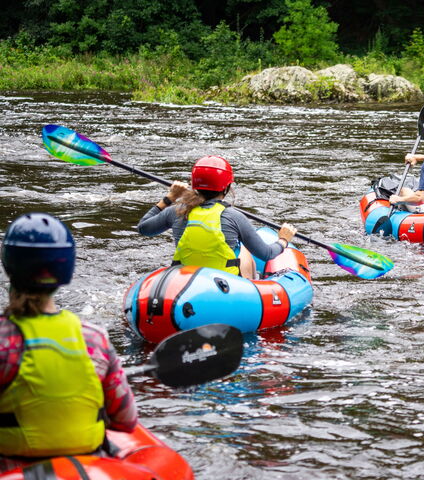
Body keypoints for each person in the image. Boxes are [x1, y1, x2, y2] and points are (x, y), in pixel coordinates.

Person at [0, 213, 138, 472]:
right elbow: (127, 422)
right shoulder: (94, 338)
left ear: (9, 266)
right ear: (66, 268)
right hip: (87, 467)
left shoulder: (4, 341)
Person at [137, 155, 296, 280]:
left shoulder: (176, 211)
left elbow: (143, 229)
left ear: (194, 185)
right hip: (225, 286)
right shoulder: (234, 216)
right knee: (244, 252)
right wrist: (283, 239)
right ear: (227, 187)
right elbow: (266, 254)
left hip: (185, 281)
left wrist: (170, 197)